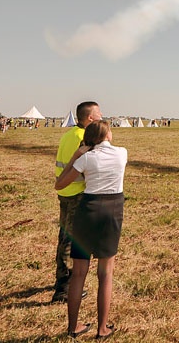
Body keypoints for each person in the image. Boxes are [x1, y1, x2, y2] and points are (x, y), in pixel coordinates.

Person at [55, 120, 126, 338]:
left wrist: (76, 156)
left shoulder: (85, 158)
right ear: (107, 135)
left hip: (87, 210)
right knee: (106, 273)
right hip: (112, 210)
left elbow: (59, 184)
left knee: (78, 273)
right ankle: (102, 328)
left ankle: (73, 327)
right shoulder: (122, 153)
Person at [52, 101, 102, 303]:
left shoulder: (69, 134)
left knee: (64, 236)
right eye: (99, 113)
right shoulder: (84, 139)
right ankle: (64, 287)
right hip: (76, 194)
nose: (102, 115)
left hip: (66, 192)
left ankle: (62, 279)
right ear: (90, 118)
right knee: (71, 240)